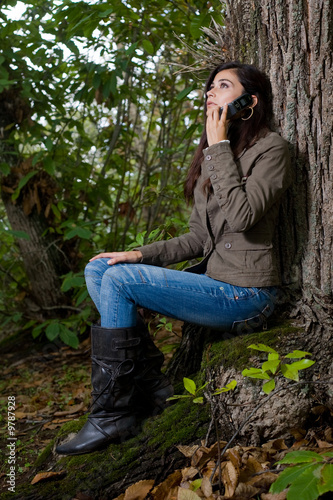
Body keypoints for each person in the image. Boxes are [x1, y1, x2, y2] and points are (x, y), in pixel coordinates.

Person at [56, 61, 291, 455]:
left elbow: (243, 217)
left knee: (119, 280)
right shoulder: (214, 156)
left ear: (249, 103)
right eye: (210, 87)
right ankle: (150, 383)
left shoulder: (272, 150)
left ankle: (113, 413)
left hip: (249, 296)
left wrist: (217, 147)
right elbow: (199, 238)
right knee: (102, 267)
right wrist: (137, 254)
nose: (210, 93)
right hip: (216, 284)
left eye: (223, 86)